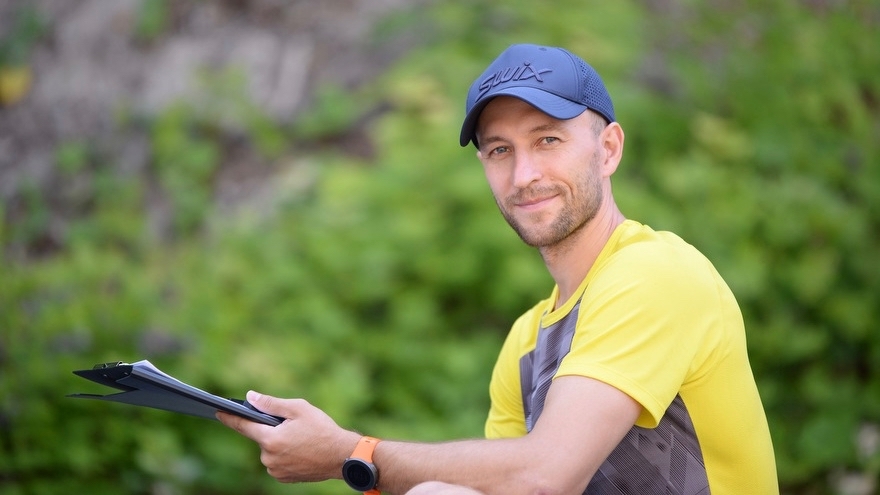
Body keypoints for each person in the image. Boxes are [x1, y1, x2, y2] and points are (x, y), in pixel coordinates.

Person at [217, 43, 779, 495]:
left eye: (548, 140)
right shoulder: (527, 343)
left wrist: (349, 454)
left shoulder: (655, 272)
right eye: (499, 151)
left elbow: (544, 476)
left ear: (608, 150)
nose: (523, 174)